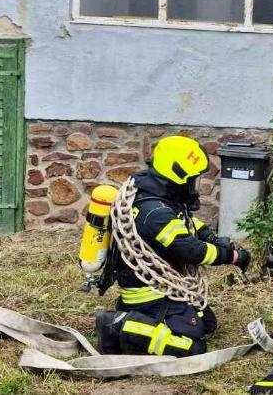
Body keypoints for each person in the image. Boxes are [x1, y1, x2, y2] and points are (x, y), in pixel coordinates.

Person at [95, 135, 250, 357]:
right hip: (150, 295)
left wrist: (210, 236)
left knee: (207, 324)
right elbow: (189, 250)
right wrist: (233, 256)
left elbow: (183, 222)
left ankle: (138, 322)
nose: (193, 185)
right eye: (192, 179)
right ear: (177, 175)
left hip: (162, 289)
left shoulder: (153, 193)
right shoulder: (154, 212)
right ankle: (118, 325)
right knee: (192, 347)